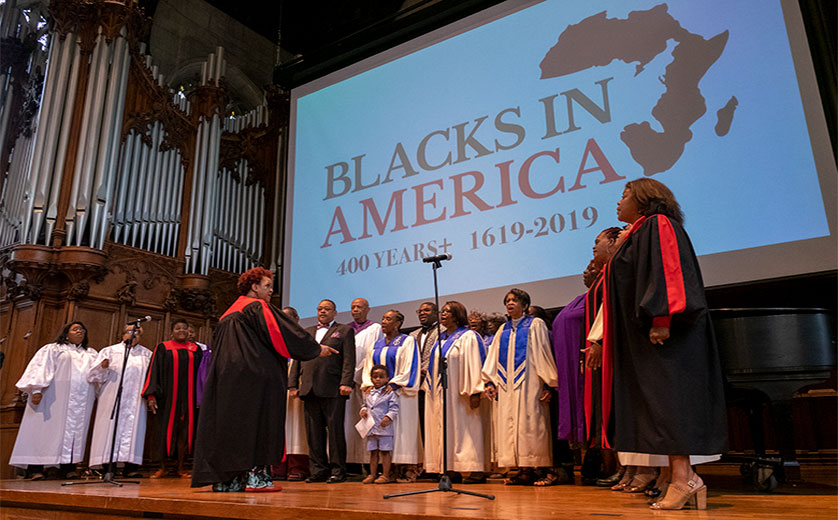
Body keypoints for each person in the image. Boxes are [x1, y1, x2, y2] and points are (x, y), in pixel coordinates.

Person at [602, 178, 727, 510]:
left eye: (624, 195)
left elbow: (670, 272)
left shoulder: (659, 224)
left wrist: (662, 318)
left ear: (644, 199)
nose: (618, 202)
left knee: (671, 403)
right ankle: (682, 477)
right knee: (660, 407)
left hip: (666, 334)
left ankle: (684, 476)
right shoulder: (639, 231)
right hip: (645, 339)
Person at [191, 268, 332, 492]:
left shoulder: (227, 315)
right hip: (254, 377)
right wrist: (315, 348)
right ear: (254, 287)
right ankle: (257, 480)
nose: (271, 290)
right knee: (257, 424)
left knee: (232, 426)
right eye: (267, 286)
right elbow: (282, 335)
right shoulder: (256, 306)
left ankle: (229, 481)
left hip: (227, 379)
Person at [482, 289, 558, 485]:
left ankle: (543, 470)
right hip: (506, 385)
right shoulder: (503, 330)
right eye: (507, 300)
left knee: (532, 424)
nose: (510, 303)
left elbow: (544, 353)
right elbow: (492, 358)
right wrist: (489, 381)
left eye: (515, 300)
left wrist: (548, 385)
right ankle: (524, 470)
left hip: (531, 382)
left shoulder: (536, 324)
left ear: (525, 305)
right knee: (510, 426)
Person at [9, 322, 98, 480]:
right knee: (42, 431)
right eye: (75, 329)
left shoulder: (90, 353)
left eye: (82, 330)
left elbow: (96, 376)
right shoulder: (53, 349)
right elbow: (40, 368)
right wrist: (36, 389)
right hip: (52, 398)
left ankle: (68, 467)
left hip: (80, 401)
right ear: (66, 333)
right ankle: (34, 468)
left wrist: (103, 367)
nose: (80, 332)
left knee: (73, 434)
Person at [289, 299, 355, 483]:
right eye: (320, 309)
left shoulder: (344, 330)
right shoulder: (307, 331)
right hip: (309, 388)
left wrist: (346, 382)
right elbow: (297, 358)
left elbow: (349, 359)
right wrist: (293, 384)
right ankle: (318, 470)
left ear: (335, 312)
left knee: (335, 432)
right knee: (313, 433)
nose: (323, 312)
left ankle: (337, 470)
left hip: (333, 388)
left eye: (327, 309)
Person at [424, 301, 489, 483]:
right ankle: (450, 467)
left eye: (448, 311)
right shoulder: (440, 338)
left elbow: (475, 363)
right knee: (446, 429)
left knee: (467, 429)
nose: (443, 314)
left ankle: (475, 468)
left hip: (461, 393)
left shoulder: (468, 336)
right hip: (442, 393)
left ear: (458, 315)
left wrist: (475, 391)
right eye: (442, 311)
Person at [361, 310, 422, 482]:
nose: (384, 321)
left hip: (400, 392)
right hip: (378, 395)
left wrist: (394, 383)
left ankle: (404, 468)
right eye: (383, 318)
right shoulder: (376, 344)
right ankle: (384, 472)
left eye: (388, 319)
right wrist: (369, 384)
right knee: (380, 432)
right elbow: (368, 367)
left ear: (398, 323)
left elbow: (411, 365)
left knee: (402, 430)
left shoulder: (407, 341)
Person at [86, 323, 153, 476]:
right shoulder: (110, 351)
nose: (133, 334)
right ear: (123, 334)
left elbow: (150, 378)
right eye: (129, 332)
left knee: (134, 429)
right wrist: (102, 367)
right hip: (111, 397)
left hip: (136, 399)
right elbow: (93, 377)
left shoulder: (146, 354)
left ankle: (131, 467)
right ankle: (108, 466)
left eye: (137, 333)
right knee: (109, 429)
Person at [142, 319, 204, 479]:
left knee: (185, 432)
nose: (182, 330)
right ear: (172, 331)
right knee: (164, 431)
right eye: (178, 328)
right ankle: (161, 468)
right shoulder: (163, 348)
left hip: (189, 398)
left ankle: (181, 468)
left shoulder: (196, 349)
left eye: (185, 328)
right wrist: (151, 395)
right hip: (167, 398)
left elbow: (202, 374)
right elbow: (153, 371)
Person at [345, 297, 383, 467]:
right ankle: (350, 461)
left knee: (367, 420)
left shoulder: (375, 329)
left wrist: (360, 375)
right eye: (353, 307)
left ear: (368, 309)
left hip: (365, 381)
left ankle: (368, 462)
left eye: (359, 307)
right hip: (347, 382)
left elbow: (373, 354)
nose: (355, 310)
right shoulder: (346, 330)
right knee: (348, 422)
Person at [276, 306, 310, 481]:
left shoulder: (302, 337)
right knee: (277, 427)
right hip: (276, 388)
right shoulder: (273, 337)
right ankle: (278, 466)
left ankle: (298, 467)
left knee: (297, 428)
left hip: (297, 388)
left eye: (289, 317)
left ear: (297, 319)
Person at [360, 364, 399, 484]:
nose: (378, 379)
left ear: (387, 378)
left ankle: (385, 475)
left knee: (385, 452)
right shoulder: (368, 392)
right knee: (373, 452)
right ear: (371, 378)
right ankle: (372, 474)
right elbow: (365, 405)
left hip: (384, 428)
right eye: (375, 376)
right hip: (371, 427)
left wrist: (388, 417)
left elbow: (394, 408)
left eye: (381, 377)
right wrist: (363, 411)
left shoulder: (390, 393)